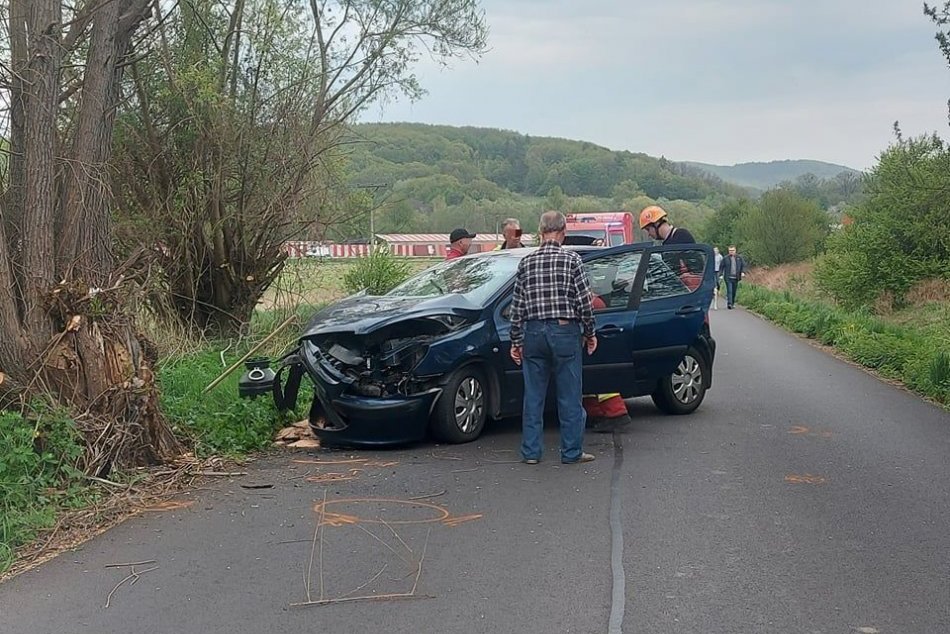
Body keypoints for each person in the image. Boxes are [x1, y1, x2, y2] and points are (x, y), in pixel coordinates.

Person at [509, 211, 597, 465]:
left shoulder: (526, 262)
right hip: (564, 332)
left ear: (540, 233)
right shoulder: (572, 260)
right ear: (563, 232)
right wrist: (590, 332)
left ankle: (531, 453)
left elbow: (518, 307)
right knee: (569, 396)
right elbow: (584, 302)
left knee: (533, 396)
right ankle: (571, 452)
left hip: (534, 332)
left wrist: (516, 341)